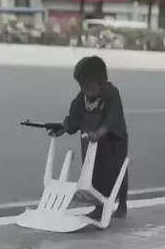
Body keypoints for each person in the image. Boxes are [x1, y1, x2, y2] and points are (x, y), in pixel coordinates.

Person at [49, 56, 129, 219]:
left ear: (101, 82)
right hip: (92, 142)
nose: (86, 91)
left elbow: (113, 117)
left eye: (90, 87)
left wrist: (100, 133)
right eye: (82, 87)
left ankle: (122, 205)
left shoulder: (111, 93)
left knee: (116, 171)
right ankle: (99, 207)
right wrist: (63, 129)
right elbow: (74, 117)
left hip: (112, 140)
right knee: (94, 174)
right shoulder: (83, 97)